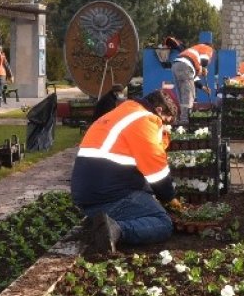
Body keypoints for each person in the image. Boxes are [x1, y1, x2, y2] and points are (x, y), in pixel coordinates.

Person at [71, 89, 185, 256]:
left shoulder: (123, 112)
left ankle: (99, 222)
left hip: (90, 194)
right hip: (109, 196)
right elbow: (157, 173)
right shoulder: (145, 120)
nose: (166, 127)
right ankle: (115, 230)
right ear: (159, 110)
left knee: (149, 201)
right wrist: (170, 198)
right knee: (162, 223)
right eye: (167, 122)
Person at [170, 40, 214, 124]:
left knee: (182, 94)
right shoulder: (207, 48)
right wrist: (204, 68)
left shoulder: (193, 51)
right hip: (186, 66)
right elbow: (205, 59)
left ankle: (182, 118)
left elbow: (192, 78)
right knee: (189, 94)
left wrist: (203, 87)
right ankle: (185, 120)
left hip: (176, 66)